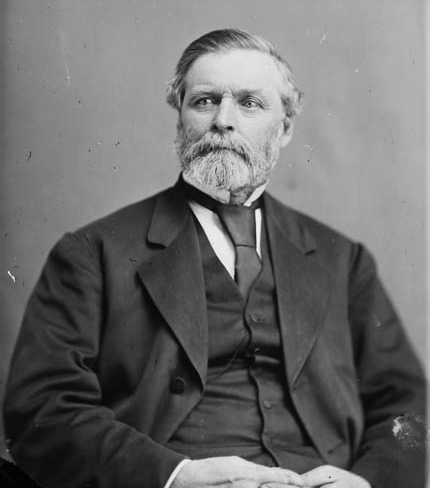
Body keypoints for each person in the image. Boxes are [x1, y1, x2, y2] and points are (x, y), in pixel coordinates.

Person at [3, 29, 426, 488]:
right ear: (180, 119)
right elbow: (42, 409)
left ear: (285, 129)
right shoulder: (94, 253)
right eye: (204, 101)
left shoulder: (342, 260)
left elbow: (408, 409)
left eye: (250, 103)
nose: (223, 120)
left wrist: (366, 483)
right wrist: (176, 476)